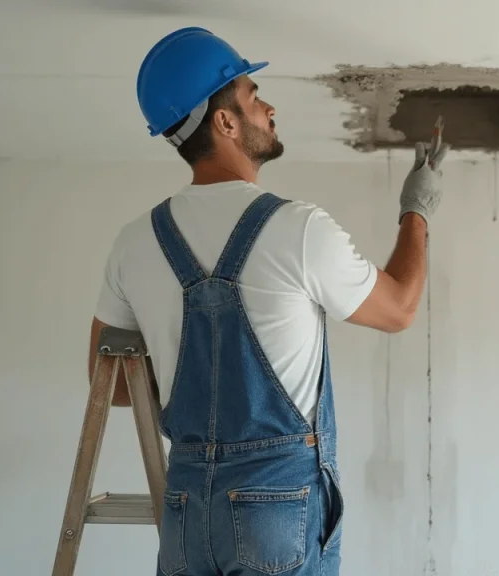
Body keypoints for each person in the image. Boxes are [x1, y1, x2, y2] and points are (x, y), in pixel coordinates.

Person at [87, 27, 449, 576]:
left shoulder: (134, 243)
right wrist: (416, 210)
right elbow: (398, 309)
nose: (269, 106)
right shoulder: (297, 228)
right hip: (275, 507)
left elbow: (107, 385)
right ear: (225, 121)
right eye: (254, 95)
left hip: (184, 510)